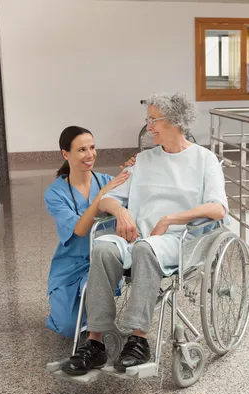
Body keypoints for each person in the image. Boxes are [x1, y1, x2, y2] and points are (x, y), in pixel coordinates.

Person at [61, 92, 228, 376]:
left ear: (175, 121)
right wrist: (122, 213)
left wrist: (171, 218)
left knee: (145, 249)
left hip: (180, 241)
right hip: (137, 237)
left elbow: (218, 208)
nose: (148, 127)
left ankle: (138, 339)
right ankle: (95, 342)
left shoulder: (205, 160)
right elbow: (106, 200)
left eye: (154, 120)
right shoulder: (143, 160)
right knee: (102, 247)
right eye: (147, 119)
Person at [44, 126, 132, 338]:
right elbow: (81, 229)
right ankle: (76, 311)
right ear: (65, 154)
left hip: (102, 260)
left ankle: (93, 316)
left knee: (92, 305)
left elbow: (135, 197)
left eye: (92, 147)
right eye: (81, 149)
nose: (90, 154)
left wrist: (134, 168)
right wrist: (102, 194)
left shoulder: (105, 180)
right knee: (67, 327)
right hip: (70, 264)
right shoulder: (55, 193)